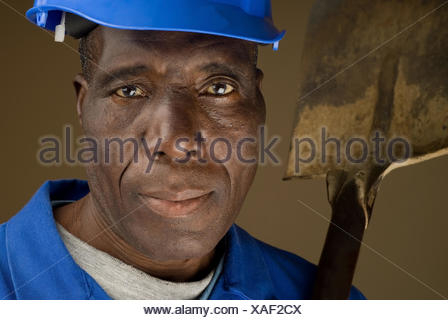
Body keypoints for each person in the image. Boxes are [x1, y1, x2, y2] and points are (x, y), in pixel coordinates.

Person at [0, 0, 364, 300]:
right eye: (129, 91)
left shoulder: (318, 298)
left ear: (258, 102)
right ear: (83, 105)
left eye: (218, 88)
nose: (176, 142)